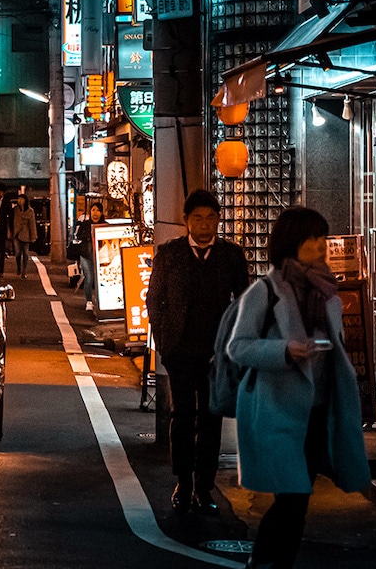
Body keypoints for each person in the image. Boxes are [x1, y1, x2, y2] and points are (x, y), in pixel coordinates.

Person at [227, 206, 370, 569]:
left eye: (323, 237)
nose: (322, 245)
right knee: (292, 498)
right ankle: (263, 563)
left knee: (298, 500)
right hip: (276, 411)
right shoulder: (265, 291)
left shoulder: (326, 290)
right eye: (312, 239)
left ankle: (273, 564)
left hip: (318, 410)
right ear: (292, 243)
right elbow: (238, 347)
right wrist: (285, 351)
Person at [145, 189, 250, 514]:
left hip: (217, 353)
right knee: (182, 417)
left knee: (211, 418)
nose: (204, 225)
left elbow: (244, 302)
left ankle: (204, 487)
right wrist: (164, 341)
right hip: (180, 350)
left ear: (218, 219)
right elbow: (154, 299)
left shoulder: (231, 255)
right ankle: (183, 483)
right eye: (197, 218)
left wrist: (235, 344)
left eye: (210, 218)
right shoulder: (170, 254)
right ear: (186, 221)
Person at [73, 202, 104, 309]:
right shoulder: (85, 224)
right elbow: (78, 235)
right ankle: (89, 302)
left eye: (98, 210)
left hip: (101, 256)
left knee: (101, 279)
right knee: (89, 277)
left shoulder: (105, 225)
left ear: (102, 212)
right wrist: (89, 233)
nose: (95, 213)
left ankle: (102, 302)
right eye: (93, 210)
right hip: (86, 255)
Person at [12, 194, 38, 278]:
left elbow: (32, 224)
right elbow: (11, 221)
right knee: (18, 252)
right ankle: (19, 267)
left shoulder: (30, 211)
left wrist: (33, 236)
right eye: (19, 199)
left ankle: (24, 271)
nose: (20, 201)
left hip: (26, 234)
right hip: (16, 233)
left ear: (25, 200)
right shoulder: (15, 210)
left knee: (26, 253)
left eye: (22, 199)